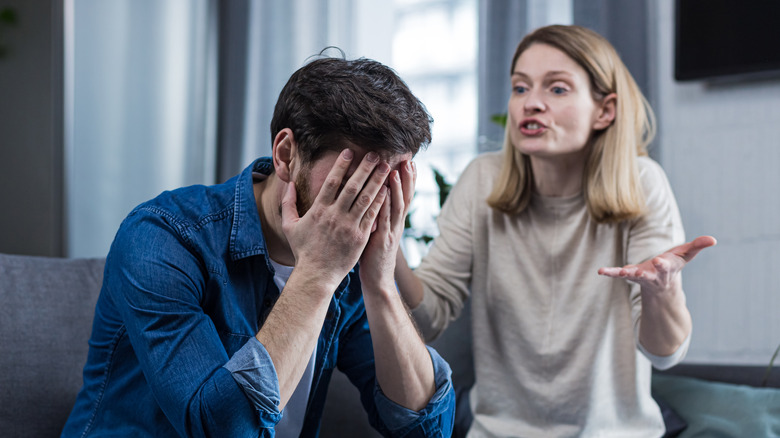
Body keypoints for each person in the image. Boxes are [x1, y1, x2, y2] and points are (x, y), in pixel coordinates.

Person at [61, 54, 455, 437]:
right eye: (354, 181)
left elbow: (428, 430)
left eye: (390, 182)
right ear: (286, 154)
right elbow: (223, 429)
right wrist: (316, 274)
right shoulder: (162, 236)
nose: (368, 204)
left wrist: (381, 283)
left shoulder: (351, 258)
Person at [394, 25, 716, 437]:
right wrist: (390, 252)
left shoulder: (642, 182)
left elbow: (664, 355)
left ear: (605, 110)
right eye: (520, 88)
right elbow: (428, 318)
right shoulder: (482, 181)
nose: (532, 104)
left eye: (557, 90)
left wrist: (662, 290)